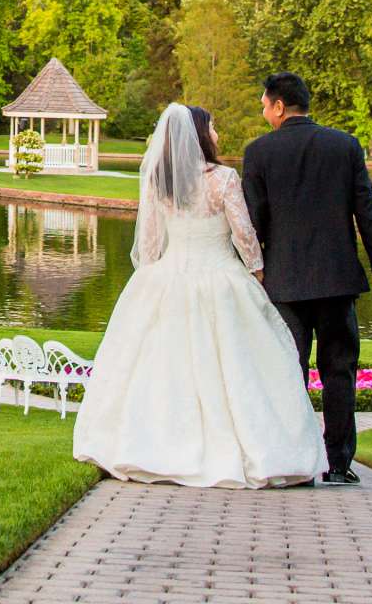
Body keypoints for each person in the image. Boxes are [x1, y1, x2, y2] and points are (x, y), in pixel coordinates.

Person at [71, 103, 325, 489]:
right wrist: (257, 272)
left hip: (170, 276)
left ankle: (155, 445)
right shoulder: (223, 178)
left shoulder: (161, 180)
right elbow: (243, 233)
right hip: (220, 277)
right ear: (200, 135)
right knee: (236, 366)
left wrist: (154, 280)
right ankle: (243, 448)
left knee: (165, 367)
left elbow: (151, 244)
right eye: (214, 127)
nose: (218, 134)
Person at [239, 72, 372, 487]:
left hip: (283, 281)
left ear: (278, 106)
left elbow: (253, 222)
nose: (263, 112)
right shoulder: (345, 146)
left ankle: (293, 461)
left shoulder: (259, 153)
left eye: (263, 105)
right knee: (339, 371)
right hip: (336, 278)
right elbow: (367, 210)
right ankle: (340, 464)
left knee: (288, 372)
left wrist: (248, 271)